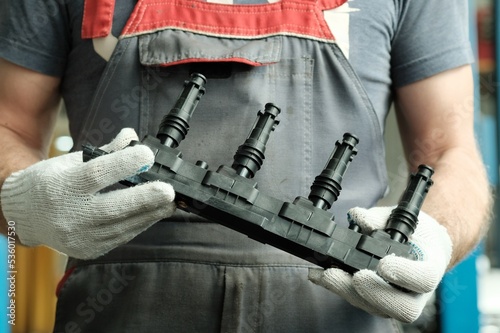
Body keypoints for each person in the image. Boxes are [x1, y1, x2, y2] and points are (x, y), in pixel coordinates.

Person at [0, 0, 492, 332]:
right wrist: (21, 200)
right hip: (118, 309)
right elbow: (9, 128)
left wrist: (438, 236)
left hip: (337, 309)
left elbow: (451, 150)